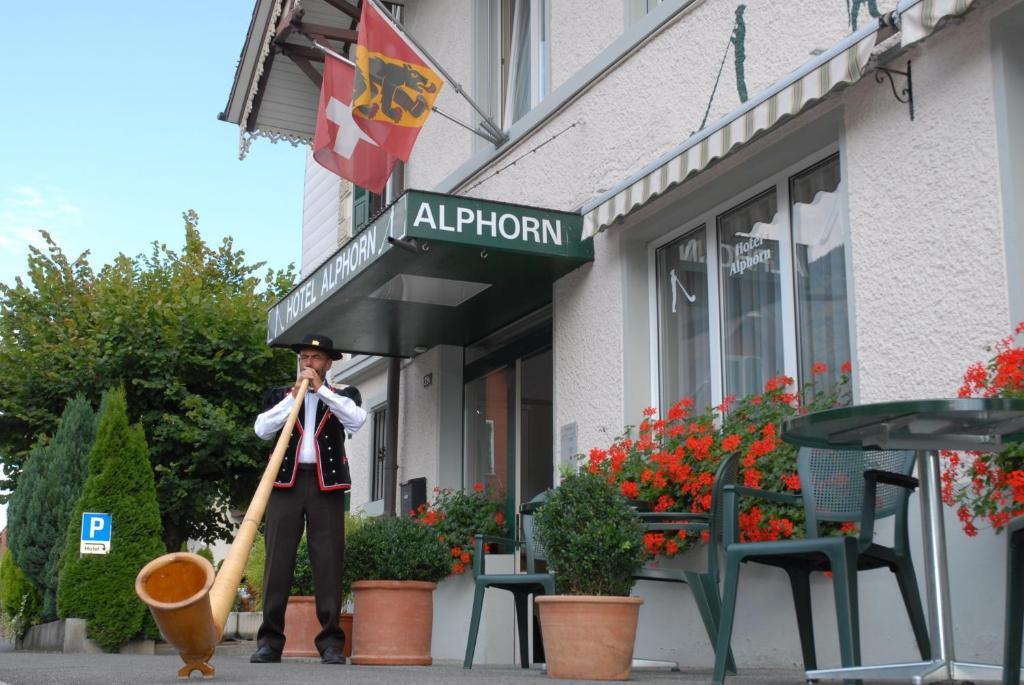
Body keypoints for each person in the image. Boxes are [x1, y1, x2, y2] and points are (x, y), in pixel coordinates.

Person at [250, 333, 366, 665]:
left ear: (328, 363)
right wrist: (295, 397)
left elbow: (357, 421)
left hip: (325, 486)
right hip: (285, 483)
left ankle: (330, 642)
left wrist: (322, 391)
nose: (308, 363)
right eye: (303, 358)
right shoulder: (278, 395)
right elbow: (262, 430)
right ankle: (270, 642)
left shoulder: (344, 395)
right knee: (277, 563)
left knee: (328, 563)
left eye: (315, 359)